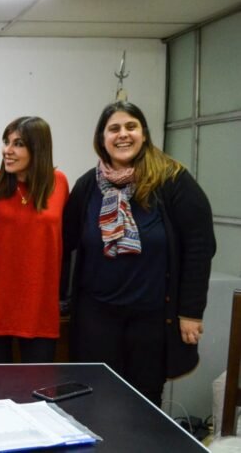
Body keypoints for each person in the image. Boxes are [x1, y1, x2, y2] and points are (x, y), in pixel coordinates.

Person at [63, 101, 216, 406]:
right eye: (114, 128)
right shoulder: (87, 185)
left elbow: (200, 246)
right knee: (95, 398)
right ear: (102, 138)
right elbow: (65, 242)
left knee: (143, 401)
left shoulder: (172, 180)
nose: (123, 134)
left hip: (152, 318)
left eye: (131, 127)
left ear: (143, 134)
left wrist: (190, 311)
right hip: (96, 316)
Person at [0, 117, 69, 363]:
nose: (8, 150)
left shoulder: (59, 183)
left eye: (18, 144)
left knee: (38, 384)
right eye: (6, 142)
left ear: (39, 149)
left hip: (39, 304)